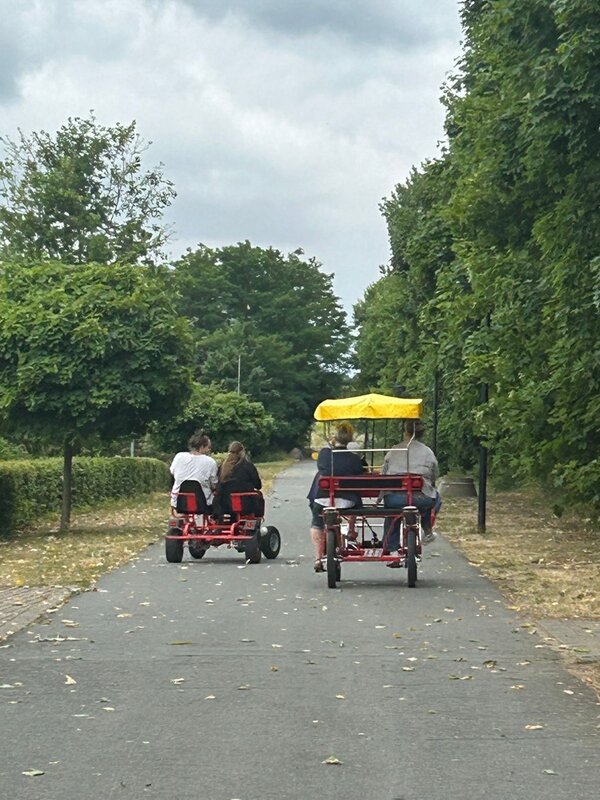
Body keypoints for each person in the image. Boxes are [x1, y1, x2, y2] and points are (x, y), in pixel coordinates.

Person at [307, 426, 364, 572]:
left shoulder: (325, 454)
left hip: (322, 499)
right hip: (347, 501)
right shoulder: (354, 458)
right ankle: (351, 530)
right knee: (356, 503)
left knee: (316, 522)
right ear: (350, 439)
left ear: (334, 438)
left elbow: (322, 468)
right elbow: (361, 473)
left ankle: (318, 558)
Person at [380, 419, 438, 549]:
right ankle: (427, 529)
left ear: (406, 432)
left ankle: (390, 545)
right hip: (420, 498)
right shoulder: (428, 452)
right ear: (422, 434)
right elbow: (434, 474)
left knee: (393, 513)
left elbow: (384, 474)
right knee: (435, 498)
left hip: (395, 498)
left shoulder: (394, 450)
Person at [170, 431, 218, 514]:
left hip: (179, 502)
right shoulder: (210, 462)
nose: (209, 450)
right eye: (208, 447)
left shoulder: (179, 456)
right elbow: (214, 484)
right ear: (202, 446)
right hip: (202, 503)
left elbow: (172, 472)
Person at [214, 441, 263, 518]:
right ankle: (255, 522)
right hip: (246, 504)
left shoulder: (222, 467)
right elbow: (258, 485)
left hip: (225, 505)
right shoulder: (248, 466)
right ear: (242, 452)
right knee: (259, 497)